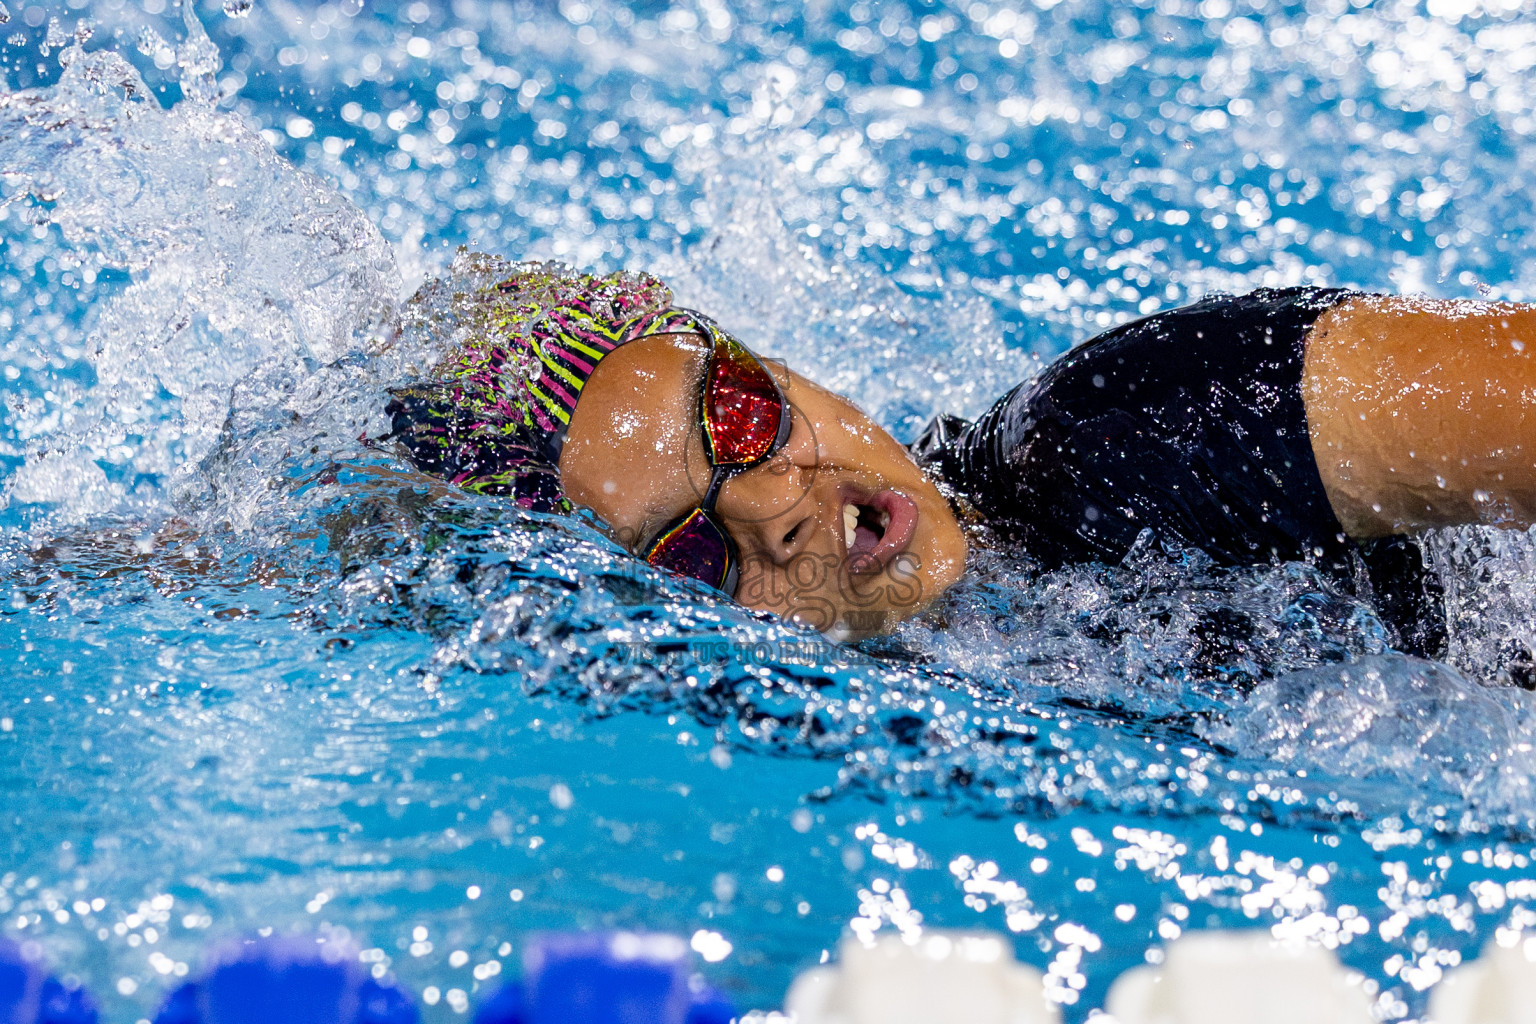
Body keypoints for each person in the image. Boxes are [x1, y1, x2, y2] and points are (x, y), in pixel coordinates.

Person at [381, 253, 1536, 652]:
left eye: (740, 420)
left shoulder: (1142, 432)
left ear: (775, 366)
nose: (779, 508)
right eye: (688, 556)